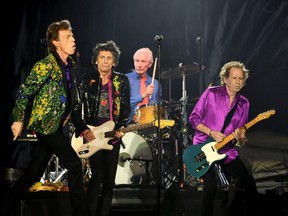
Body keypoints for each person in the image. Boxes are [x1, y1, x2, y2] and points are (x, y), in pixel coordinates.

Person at [0, 20, 90, 216]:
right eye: (68, 37)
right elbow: (25, 92)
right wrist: (18, 119)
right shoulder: (45, 65)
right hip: (45, 125)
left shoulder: (69, 65)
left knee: (32, 173)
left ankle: (4, 207)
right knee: (74, 165)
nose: (73, 40)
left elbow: (65, 94)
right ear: (56, 42)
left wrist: (66, 114)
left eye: (72, 36)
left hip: (56, 126)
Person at [188, 61, 258, 216]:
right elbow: (193, 119)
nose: (238, 82)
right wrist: (211, 132)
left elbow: (240, 137)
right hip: (204, 146)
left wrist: (241, 139)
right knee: (211, 186)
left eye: (241, 78)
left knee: (249, 182)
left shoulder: (244, 103)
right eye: (234, 78)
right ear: (225, 79)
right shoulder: (211, 93)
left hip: (226, 149)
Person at [71, 40, 130, 216]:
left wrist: (120, 127)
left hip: (113, 135)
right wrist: (83, 129)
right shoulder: (84, 80)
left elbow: (126, 109)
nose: (105, 61)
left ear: (114, 61)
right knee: (98, 176)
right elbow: (75, 108)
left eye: (109, 58)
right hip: (93, 133)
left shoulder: (122, 81)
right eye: (102, 57)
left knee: (109, 181)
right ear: (96, 60)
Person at [125, 47, 162, 124]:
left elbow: (158, 107)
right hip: (129, 123)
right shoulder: (125, 79)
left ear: (150, 64)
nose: (139, 65)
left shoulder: (155, 83)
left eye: (143, 61)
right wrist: (143, 95)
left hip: (149, 123)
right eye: (137, 61)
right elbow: (123, 104)